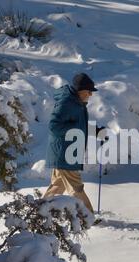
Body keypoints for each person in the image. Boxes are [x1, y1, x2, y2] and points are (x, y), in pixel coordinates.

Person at [44, 73, 105, 213]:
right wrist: (75, 129)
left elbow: (79, 126)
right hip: (64, 153)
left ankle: (41, 211)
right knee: (76, 188)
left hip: (67, 152)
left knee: (57, 186)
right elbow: (54, 126)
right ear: (80, 89)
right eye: (89, 91)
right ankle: (87, 216)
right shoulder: (67, 103)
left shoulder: (77, 104)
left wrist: (96, 132)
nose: (90, 94)